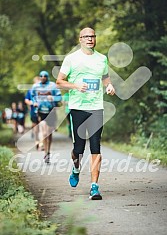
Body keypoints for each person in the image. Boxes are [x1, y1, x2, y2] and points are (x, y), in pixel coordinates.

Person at [56, 27, 115, 200]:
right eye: (86, 36)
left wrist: (109, 85)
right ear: (80, 39)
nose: (90, 39)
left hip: (96, 107)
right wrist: (75, 86)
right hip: (77, 108)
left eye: (92, 36)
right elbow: (59, 81)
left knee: (96, 145)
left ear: (95, 39)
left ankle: (94, 187)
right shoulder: (71, 59)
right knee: (79, 148)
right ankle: (75, 169)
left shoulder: (102, 59)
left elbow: (105, 77)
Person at [31, 70, 62, 164]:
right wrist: (34, 102)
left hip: (51, 111)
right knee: (44, 133)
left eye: (45, 76)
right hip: (41, 111)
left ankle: (48, 151)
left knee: (49, 133)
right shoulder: (36, 86)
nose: (43, 77)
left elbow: (59, 98)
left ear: (47, 77)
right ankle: (45, 153)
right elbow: (32, 96)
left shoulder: (53, 86)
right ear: (40, 77)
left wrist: (53, 98)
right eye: (41, 76)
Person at [25, 76, 41, 149]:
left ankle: (41, 143)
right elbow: (26, 100)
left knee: (42, 126)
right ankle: (37, 140)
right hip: (33, 111)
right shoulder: (30, 91)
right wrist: (31, 103)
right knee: (35, 126)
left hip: (42, 110)